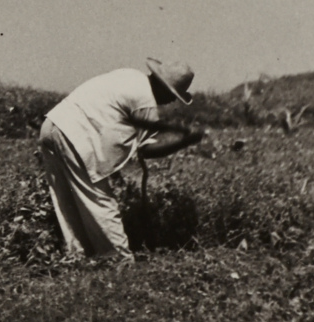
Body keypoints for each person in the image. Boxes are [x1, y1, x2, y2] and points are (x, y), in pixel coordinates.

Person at [37, 59, 204, 261]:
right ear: (163, 86)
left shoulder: (129, 75)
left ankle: (79, 259)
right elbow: (147, 150)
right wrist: (185, 142)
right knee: (99, 200)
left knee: (67, 201)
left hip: (52, 124)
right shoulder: (145, 101)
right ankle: (119, 262)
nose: (171, 101)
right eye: (172, 95)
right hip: (75, 136)